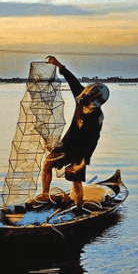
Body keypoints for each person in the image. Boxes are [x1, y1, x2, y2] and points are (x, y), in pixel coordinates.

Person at [36, 56, 109, 209]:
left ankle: (78, 207)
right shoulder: (81, 96)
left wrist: (83, 161)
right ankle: (44, 194)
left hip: (80, 152)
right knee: (48, 163)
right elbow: (72, 80)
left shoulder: (97, 117)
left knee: (76, 180)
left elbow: (94, 141)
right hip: (67, 144)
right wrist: (59, 65)